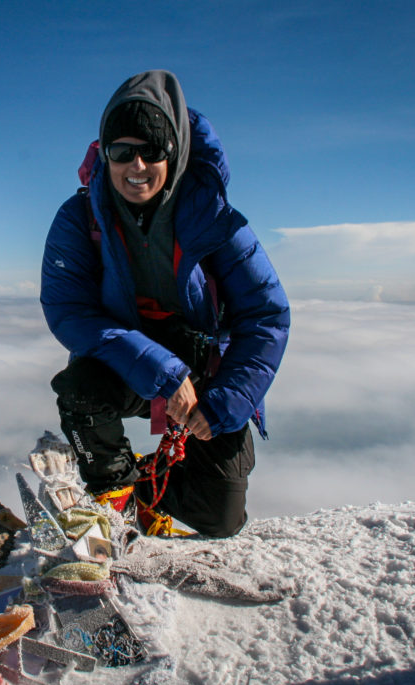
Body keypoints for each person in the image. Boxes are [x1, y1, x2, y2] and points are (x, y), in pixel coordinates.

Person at [40, 70, 289, 538]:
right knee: (81, 388)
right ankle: (114, 498)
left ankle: (145, 485)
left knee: (220, 518)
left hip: (206, 381)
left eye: (152, 151)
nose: (137, 165)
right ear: (104, 153)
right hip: (129, 370)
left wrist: (226, 403)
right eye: (121, 151)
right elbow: (68, 311)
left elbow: (266, 316)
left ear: (173, 154)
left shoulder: (217, 223)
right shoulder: (80, 218)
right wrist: (163, 371)